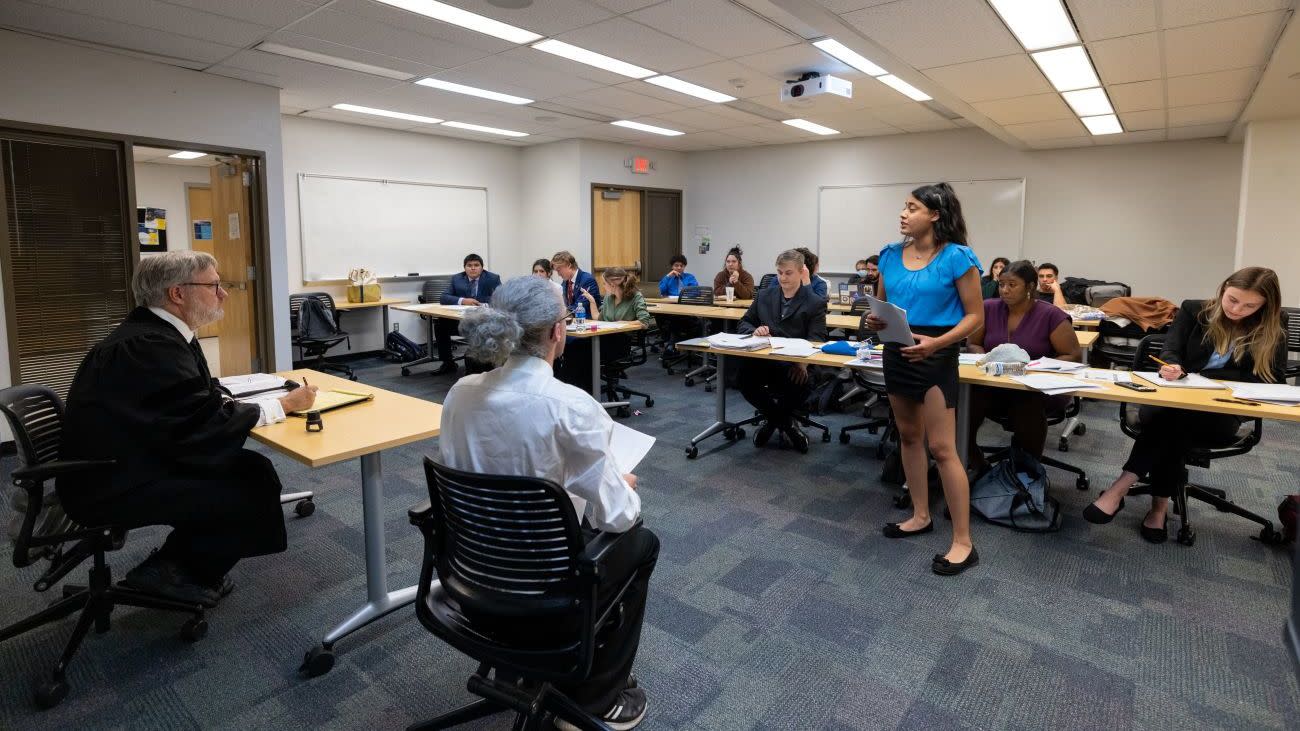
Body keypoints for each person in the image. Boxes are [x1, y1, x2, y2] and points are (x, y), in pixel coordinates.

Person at [438, 276, 657, 730]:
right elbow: (617, 517)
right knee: (641, 541)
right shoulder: (571, 406)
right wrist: (622, 484)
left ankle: (529, 659)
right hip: (543, 590)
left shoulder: (460, 393)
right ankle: (597, 698)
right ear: (559, 331)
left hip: (469, 574)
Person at [57, 251, 317, 607]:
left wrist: (235, 404)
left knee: (251, 469)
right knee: (247, 487)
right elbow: (200, 423)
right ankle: (172, 571)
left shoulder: (159, 335)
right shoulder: (148, 346)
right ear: (177, 293)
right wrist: (283, 405)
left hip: (131, 459)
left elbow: (190, 404)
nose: (223, 294)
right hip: (113, 483)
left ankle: (179, 563)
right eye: (214, 286)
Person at [1084, 267, 1288, 543]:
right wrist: (1173, 365)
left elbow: (1273, 378)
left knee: (1170, 423)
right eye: (1232, 299)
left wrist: (1206, 376)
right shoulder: (1195, 310)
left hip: (1221, 413)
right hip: (1173, 400)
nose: (1237, 309)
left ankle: (1121, 488)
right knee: (1174, 420)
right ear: (1223, 289)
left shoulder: (1275, 323)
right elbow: (1170, 349)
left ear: (1265, 305)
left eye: (1250, 306)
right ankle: (1157, 509)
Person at [866, 182, 983, 576]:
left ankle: (963, 542)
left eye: (912, 207)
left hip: (937, 352)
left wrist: (938, 344)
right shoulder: (889, 254)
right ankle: (920, 515)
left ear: (935, 214)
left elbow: (975, 317)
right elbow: (883, 305)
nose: (903, 213)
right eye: (904, 206)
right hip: (897, 350)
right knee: (909, 437)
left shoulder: (956, 257)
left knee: (943, 448)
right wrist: (874, 320)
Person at [965, 260, 1081, 472]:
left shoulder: (1050, 314)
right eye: (1001, 284)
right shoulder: (988, 308)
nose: (1004, 290)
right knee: (966, 395)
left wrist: (1034, 368)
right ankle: (972, 455)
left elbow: (1072, 355)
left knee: (1027, 399)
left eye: (1012, 285)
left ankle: (1028, 471)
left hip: (1038, 386)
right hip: (994, 381)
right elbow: (973, 343)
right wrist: (984, 359)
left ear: (1030, 286)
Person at [736, 249, 828, 453]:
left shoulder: (815, 302)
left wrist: (802, 363)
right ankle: (785, 424)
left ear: (801, 272)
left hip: (797, 364)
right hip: (766, 361)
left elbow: (817, 339)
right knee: (743, 376)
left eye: (788, 273)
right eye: (779, 272)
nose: (783, 278)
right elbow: (744, 323)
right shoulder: (764, 295)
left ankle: (772, 422)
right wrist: (754, 331)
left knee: (802, 381)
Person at [562, 267, 654, 389]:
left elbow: (644, 322)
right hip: (605, 339)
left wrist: (622, 323)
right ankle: (573, 387)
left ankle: (587, 389)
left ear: (612, 285)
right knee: (573, 347)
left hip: (620, 343)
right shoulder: (609, 298)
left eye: (604, 283)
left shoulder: (635, 297)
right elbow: (597, 318)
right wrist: (592, 301)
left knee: (582, 351)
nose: (603, 286)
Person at [434, 253, 502, 375]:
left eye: (476, 265)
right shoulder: (457, 279)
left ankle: (476, 365)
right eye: (469, 265)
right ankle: (448, 362)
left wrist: (480, 303)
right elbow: (444, 297)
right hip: (461, 321)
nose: (473, 268)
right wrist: (463, 301)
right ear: (464, 268)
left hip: (483, 321)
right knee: (440, 324)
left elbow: (501, 298)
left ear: (482, 267)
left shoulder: (492, 278)